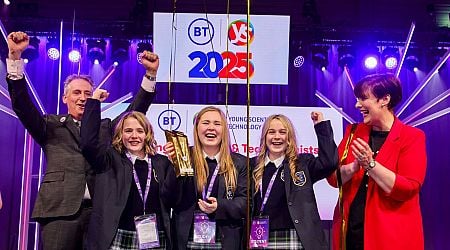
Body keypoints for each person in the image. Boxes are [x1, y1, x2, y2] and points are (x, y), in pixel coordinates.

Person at [6, 31, 160, 250]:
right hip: (60, 211)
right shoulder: (50, 124)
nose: (82, 98)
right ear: (65, 98)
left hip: (101, 212)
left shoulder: (105, 126)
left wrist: (150, 75)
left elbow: (134, 112)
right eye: (76, 93)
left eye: (88, 93)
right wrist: (14, 58)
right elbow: (22, 104)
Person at [327, 74, 427, 250]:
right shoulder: (353, 132)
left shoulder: (412, 137)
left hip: (391, 238)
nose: (357, 105)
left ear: (385, 99)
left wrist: (370, 165)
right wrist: (353, 167)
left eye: (363, 98)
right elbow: (334, 179)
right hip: (351, 234)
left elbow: (408, 188)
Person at [80, 90, 176, 249]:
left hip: (155, 238)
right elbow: (88, 144)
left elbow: (171, 198)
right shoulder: (109, 159)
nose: (134, 136)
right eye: (128, 131)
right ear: (120, 134)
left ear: (147, 134)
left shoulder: (161, 162)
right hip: (118, 237)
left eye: (140, 131)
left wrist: (175, 166)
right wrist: (93, 102)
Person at [249, 112, 338, 250]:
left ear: (289, 137)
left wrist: (320, 126)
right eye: (271, 132)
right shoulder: (251, 166)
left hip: (294, 237)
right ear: (264, 137)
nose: (277, 137)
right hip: (259, 238)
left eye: (282, 132)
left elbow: (329, 163)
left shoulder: (302, 164)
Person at [165, 106, 247, 250]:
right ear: (196, 128)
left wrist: (219, 206)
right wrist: (174, 167)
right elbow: (170, 199)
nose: (211, 128)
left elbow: (246, 203)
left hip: (225, 240)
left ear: (224, 130)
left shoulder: (240, 163)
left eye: (217, 123)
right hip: (187, 239)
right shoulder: (184, 157)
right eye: (206, 123)